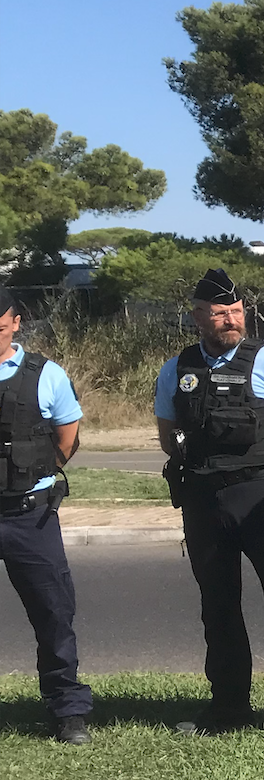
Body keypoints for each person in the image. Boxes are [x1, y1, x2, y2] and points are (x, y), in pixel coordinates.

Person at [155, 269, 264, 734]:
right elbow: (168, 435)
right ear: (197, 317)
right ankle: (229, 705)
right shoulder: (177, 369)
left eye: (236, 311)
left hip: (261, 496)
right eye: (220, 313)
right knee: (218, 604)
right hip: (204, 499)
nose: (231, 320)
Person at [0, 288, 93, 744]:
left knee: (54, 615)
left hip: (28, 516)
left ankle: (67, 710)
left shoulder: (46, 374)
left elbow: (66, 437)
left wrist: (32, 473)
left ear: (16, 323)